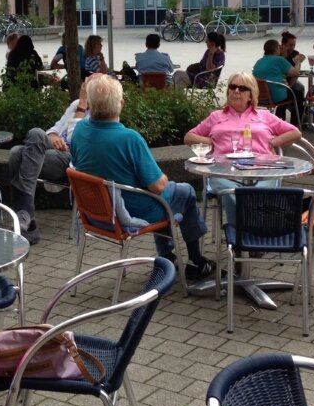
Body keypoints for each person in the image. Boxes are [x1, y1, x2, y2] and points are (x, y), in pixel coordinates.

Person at [71, 77, 215, 279]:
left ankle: (167, 259)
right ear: (121, 103)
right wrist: (163, 178)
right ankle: (196, 260)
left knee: (168, 197)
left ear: (91, 103)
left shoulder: (79, 130)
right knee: (184, 192)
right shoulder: (129, 139)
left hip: (96, 213)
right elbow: (156, 185)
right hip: (129, 214)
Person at [184, 71, 301, 224]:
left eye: (242, 88)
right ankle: (249, 232)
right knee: (231, 191)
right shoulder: (216, 116)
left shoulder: (264, 115)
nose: (236, 91)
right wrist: (211, 141)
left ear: (251, 95)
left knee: (257, 191)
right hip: (223, 172)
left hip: (262, 170)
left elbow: (295, 133)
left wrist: (273, 142)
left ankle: (240, 235)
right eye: (232, 87)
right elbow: (189, 137)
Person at [8, 74, 104, 246]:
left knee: (17, 153)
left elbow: (77, 142)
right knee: (32, 138)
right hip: (54, 150)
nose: (85, 89)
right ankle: (28, 221)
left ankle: (24, 218)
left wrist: (82, 106)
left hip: (73, 158)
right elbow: (54, 129)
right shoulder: (75, 104)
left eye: (88, 85)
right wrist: (52, 137)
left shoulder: (102, 112)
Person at [253, 39, 302, 107]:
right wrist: (298, 61)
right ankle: (296, 118)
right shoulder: (279, 59)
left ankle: (280, 116)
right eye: (279, 47)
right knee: (299, 94)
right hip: (277, 96)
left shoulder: (259, 61)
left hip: (260, 97)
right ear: (276, 49)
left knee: (288, 91)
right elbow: (295, 72)